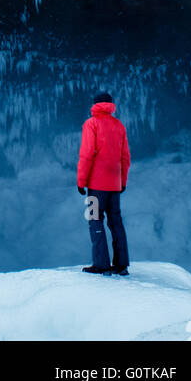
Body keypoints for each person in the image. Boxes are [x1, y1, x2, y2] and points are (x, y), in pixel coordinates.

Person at [76, 91, 131, 275]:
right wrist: (122, 181)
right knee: (116, 221)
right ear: (111, 105)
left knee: (94, 219)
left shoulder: (91, 124)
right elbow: (125, 158)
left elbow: (87, 154)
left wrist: (81, 181)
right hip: (114, 184)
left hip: (95, 185)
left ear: (95, 104)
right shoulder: (119, 125)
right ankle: (121, 264)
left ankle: (101, 264)